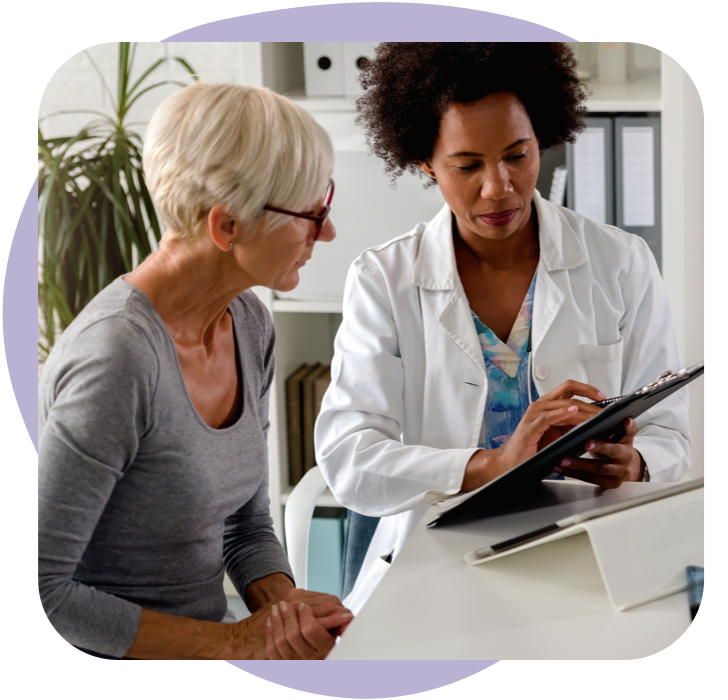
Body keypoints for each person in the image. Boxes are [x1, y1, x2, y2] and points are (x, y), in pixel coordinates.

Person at [314, 43, 690, 613]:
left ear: (543, 138)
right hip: (433, 565)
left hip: (591, 559)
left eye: (518, 155)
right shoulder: (383, 280)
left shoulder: (622, 262)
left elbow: (672, 437)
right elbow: (349, 460)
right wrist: (490, 464)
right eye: (467, 166)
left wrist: (636, 463)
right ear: (424, 163)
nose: (499, 187)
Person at [38, 82, 353, 660]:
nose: (326, 232)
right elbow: (48, 595)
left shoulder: (249, 322)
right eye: (311, 213)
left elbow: (247, 528)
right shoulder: (117, 359)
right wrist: (237, 640)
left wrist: (283, 607)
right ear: (226, 227)